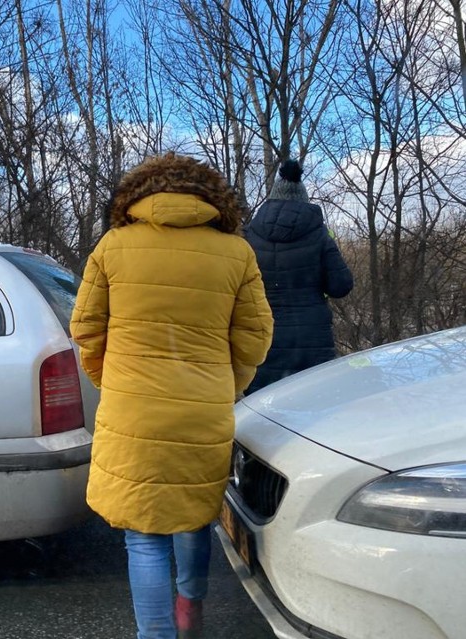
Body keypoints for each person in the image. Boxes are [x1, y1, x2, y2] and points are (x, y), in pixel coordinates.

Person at [70, 152, 273, 639]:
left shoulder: (114, 246)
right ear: (212, 199)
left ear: (139, 195)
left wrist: (111, 382)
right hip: (202, 412)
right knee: (194, 517)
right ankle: (191, 611)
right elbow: (255, 334)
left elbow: (86, 328)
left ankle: (155, 635)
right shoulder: (235, 253)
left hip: (132, 413)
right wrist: (226, 384)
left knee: (143, 536)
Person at [245, 159, 354, 395]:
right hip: (311, 339)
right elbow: (341, 285)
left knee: (260, 414)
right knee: (315, 406)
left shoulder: (249, 235)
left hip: (264, 337)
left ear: (271, 199)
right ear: (303, 200)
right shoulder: (319, 234)